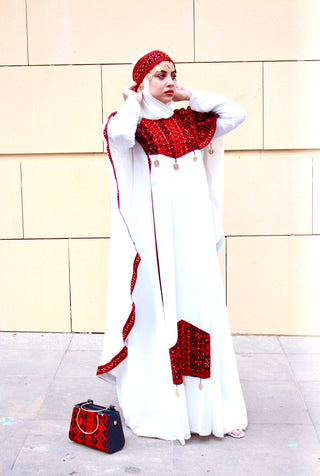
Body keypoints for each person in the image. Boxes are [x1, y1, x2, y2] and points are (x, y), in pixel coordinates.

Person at [97, 50, 247, 445]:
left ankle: (211, 410)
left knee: (200, 307)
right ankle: (167, 408)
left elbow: (234, 114)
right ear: (143, 82)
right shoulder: (130, 122)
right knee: (161, 314)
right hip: (157, 243)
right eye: (160, 75)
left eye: (173, 74)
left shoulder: (190, 122)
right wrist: (133, 100)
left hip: (193, 238)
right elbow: (119, 137)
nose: (169, 80)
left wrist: (189, 93)